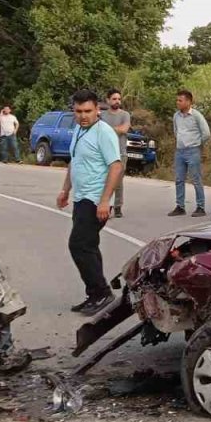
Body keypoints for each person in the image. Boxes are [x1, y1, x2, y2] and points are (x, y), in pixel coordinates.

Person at [56, 88, 123, 315]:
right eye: (78, 111)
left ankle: (102, 293)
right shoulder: (79, 129)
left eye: (88, 111)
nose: (83, 116)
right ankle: (95, 294)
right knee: (89, 245)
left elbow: (116, 166)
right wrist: (65, 190)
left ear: (97, 109)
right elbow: (74, 162)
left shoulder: (104, 132)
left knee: (79, 244)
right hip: (81, 197)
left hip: (95, 199)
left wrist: (105, 201)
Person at [169, 89, 210, 217]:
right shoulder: (176, 116)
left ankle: (200, 207)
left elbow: (206, 133)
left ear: (188, 101)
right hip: (180, 151)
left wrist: (196, 143)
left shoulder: (196, 115)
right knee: (179, 179)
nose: (178, 103)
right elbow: (176, 131)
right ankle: (180, 206)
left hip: (193, 150)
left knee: (196, 179)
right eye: (177, 100)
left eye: (180, 100)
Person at [99, 89, 131, 218]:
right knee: (103, 180)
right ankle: (105, 204)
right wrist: (114, 130)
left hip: (120, 152)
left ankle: (117, 207)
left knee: (117, 182)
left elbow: (124, 129)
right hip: (104, 152)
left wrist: (108, 130)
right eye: (114, 99)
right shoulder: (102, 115)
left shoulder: (125, 115)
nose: (117, 101)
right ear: (108, 100)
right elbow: (98, 131)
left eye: (119, 99)